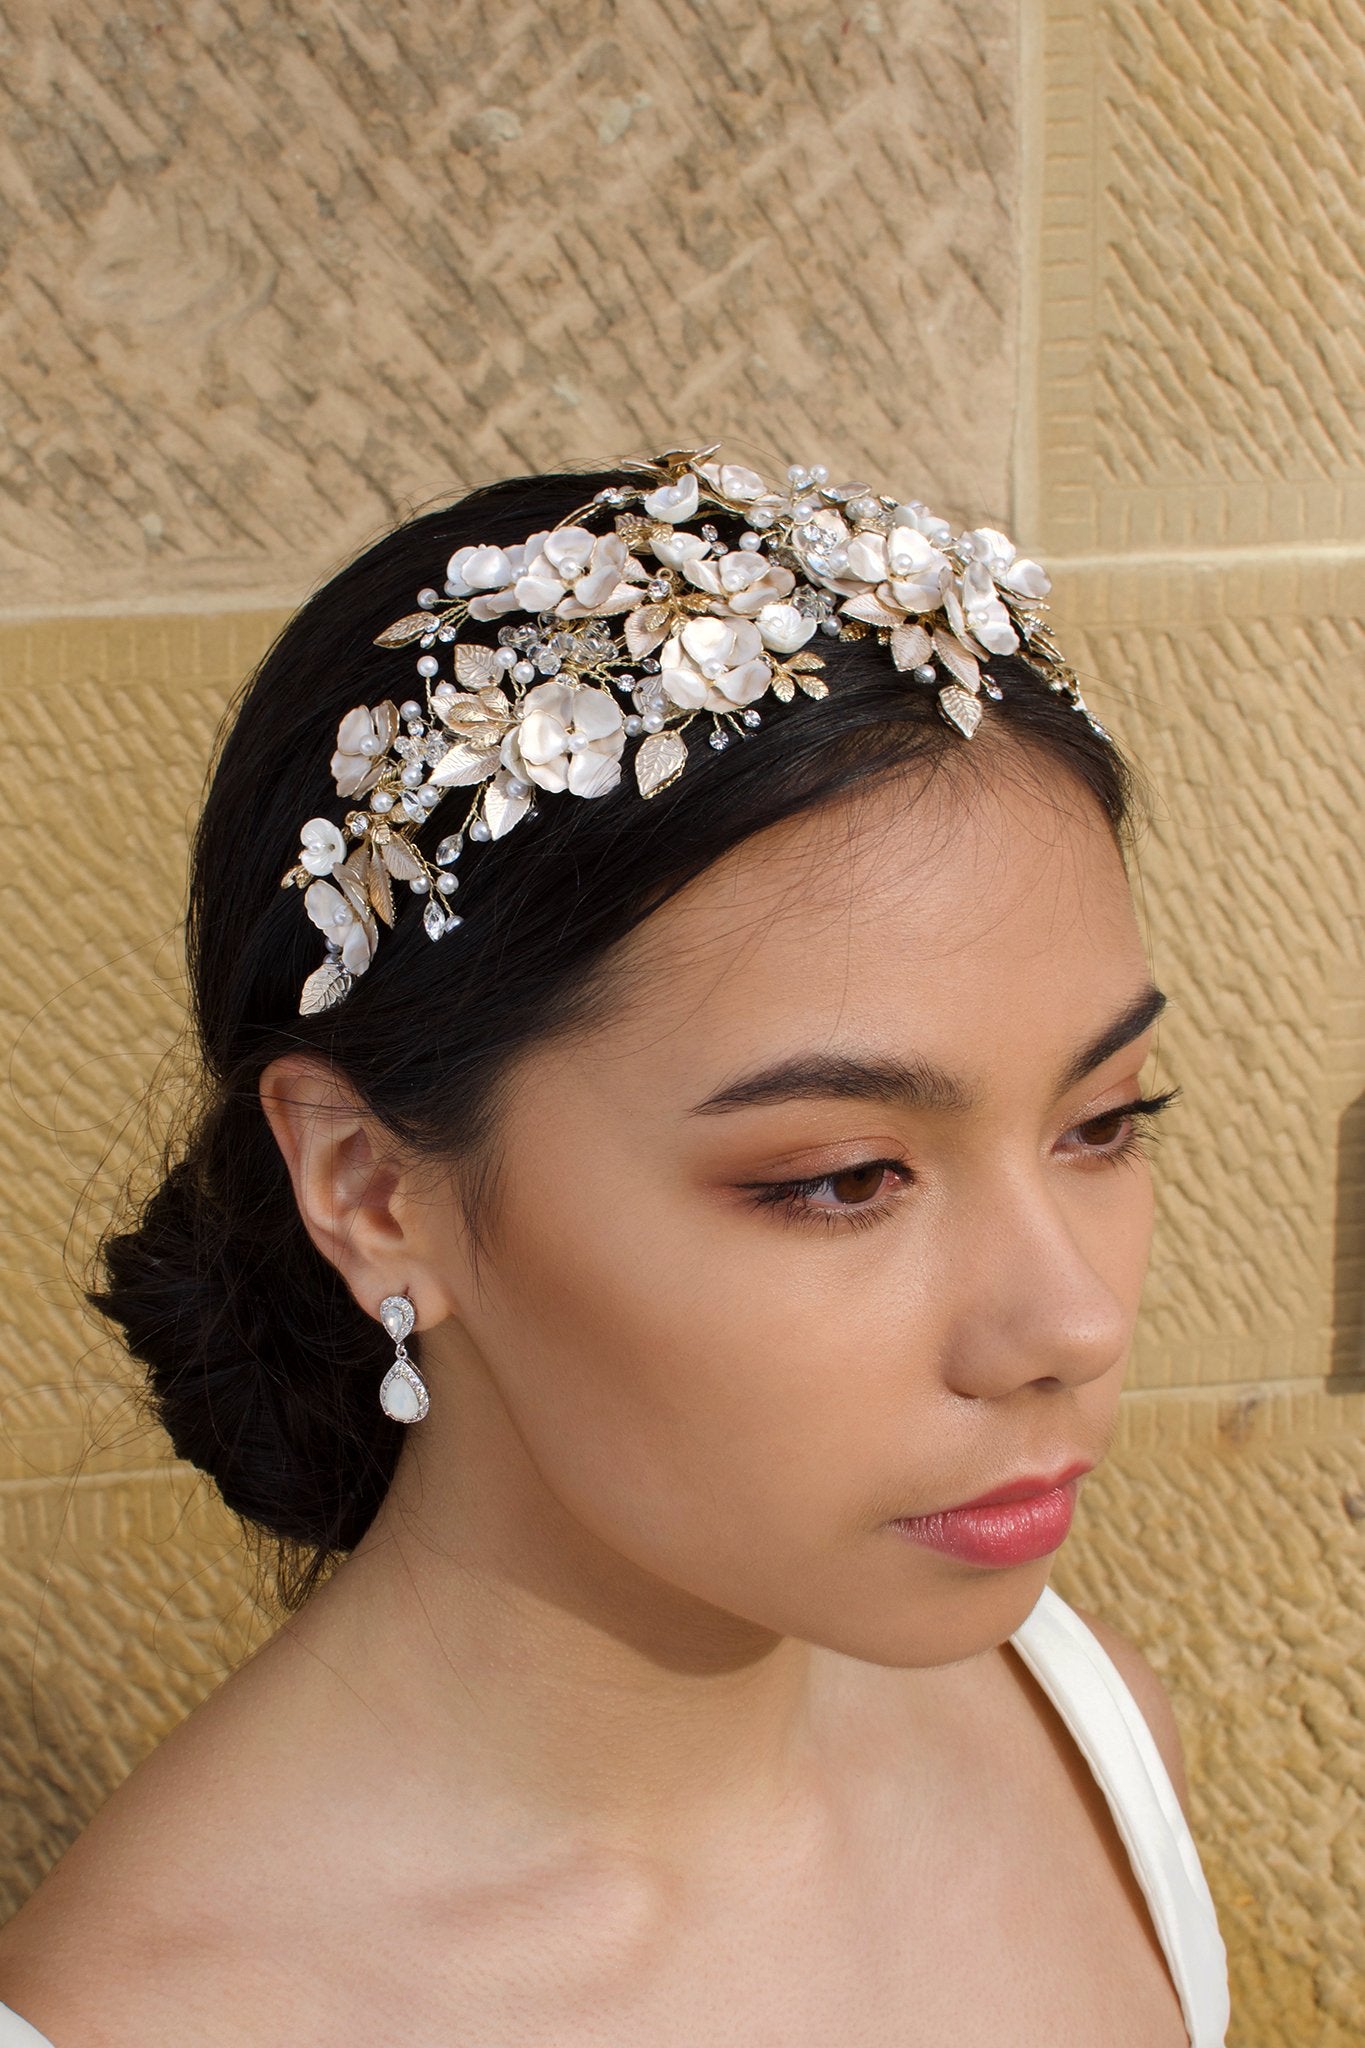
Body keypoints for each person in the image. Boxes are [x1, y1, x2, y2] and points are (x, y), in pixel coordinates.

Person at [0, 446, 1231, 2045]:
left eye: (1101, 1121)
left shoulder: (1087, 1747)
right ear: (372, 1187)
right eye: (845, 1178)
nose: (1065, 1321)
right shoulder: (165, 2017)